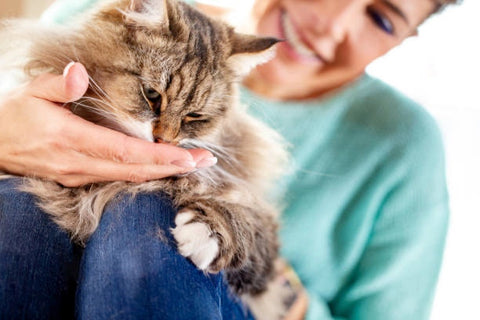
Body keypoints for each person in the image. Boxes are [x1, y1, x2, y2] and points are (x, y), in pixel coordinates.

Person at [0, 0, 458, 319]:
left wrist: (244, 247)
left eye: (380, 18)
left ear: (406, 38)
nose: (331, 23)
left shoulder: (403, 144)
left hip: (234, 299)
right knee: (20, 205)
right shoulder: (116, 15)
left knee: (147, 218)